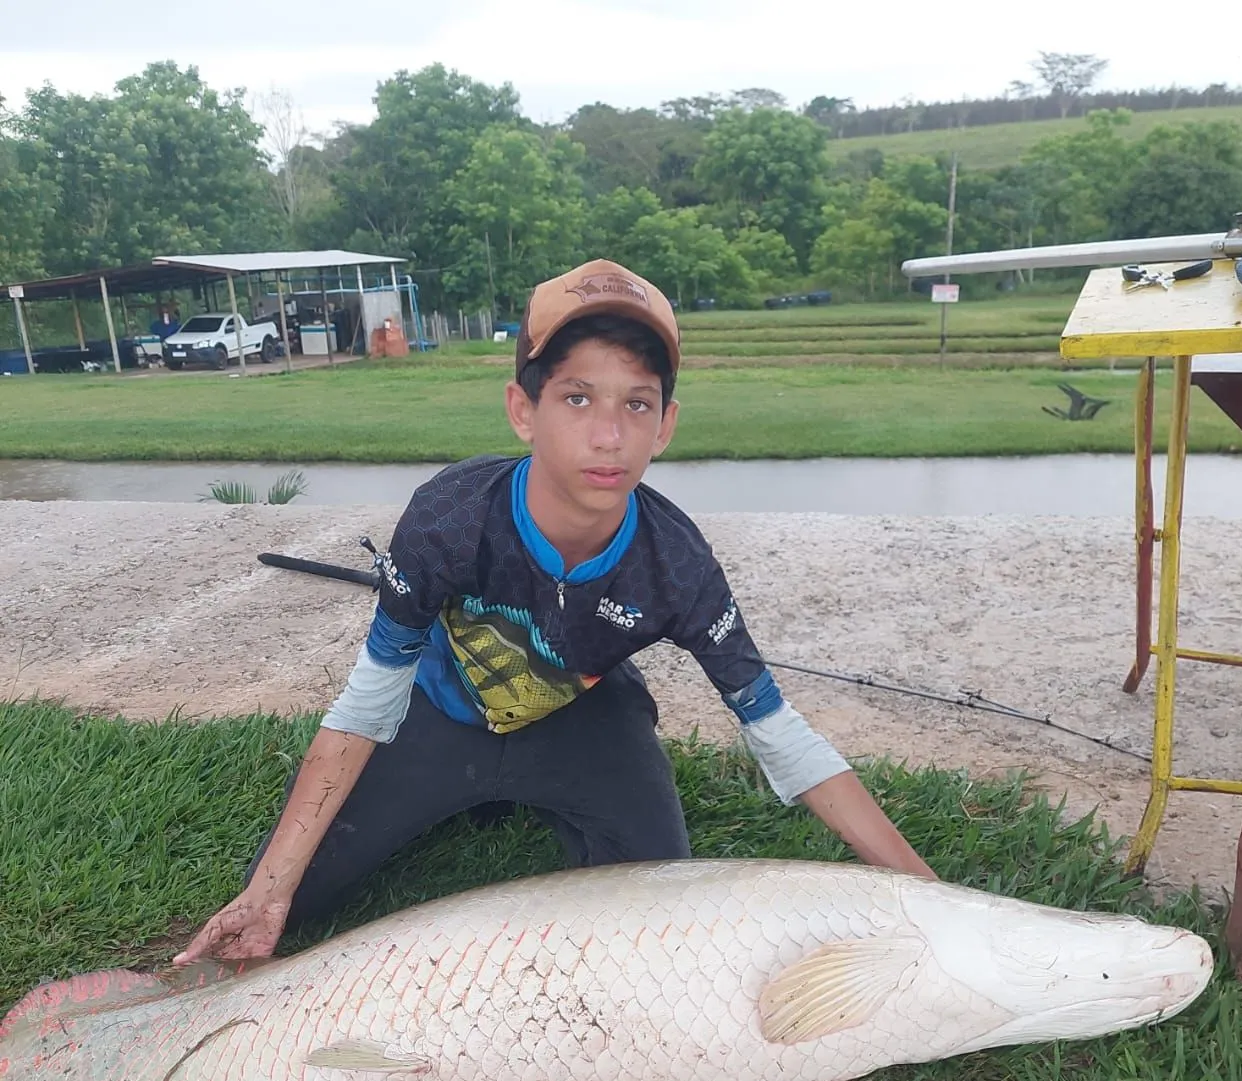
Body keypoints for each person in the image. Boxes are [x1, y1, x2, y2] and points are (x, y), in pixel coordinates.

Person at [174, 259, 935, 966]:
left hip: (586, 722)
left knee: (656, 914)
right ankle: (466, 799)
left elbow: (783, 739)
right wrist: (270, 889)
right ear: (523, 409)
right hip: (434, 717)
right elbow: (365, 706)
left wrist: (924, 892)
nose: (608, 436)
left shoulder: (679, 564)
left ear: (665, 424)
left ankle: (530, 798)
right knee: (288, 901)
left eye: (636, 404)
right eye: (577, 398)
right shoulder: (448, 519)